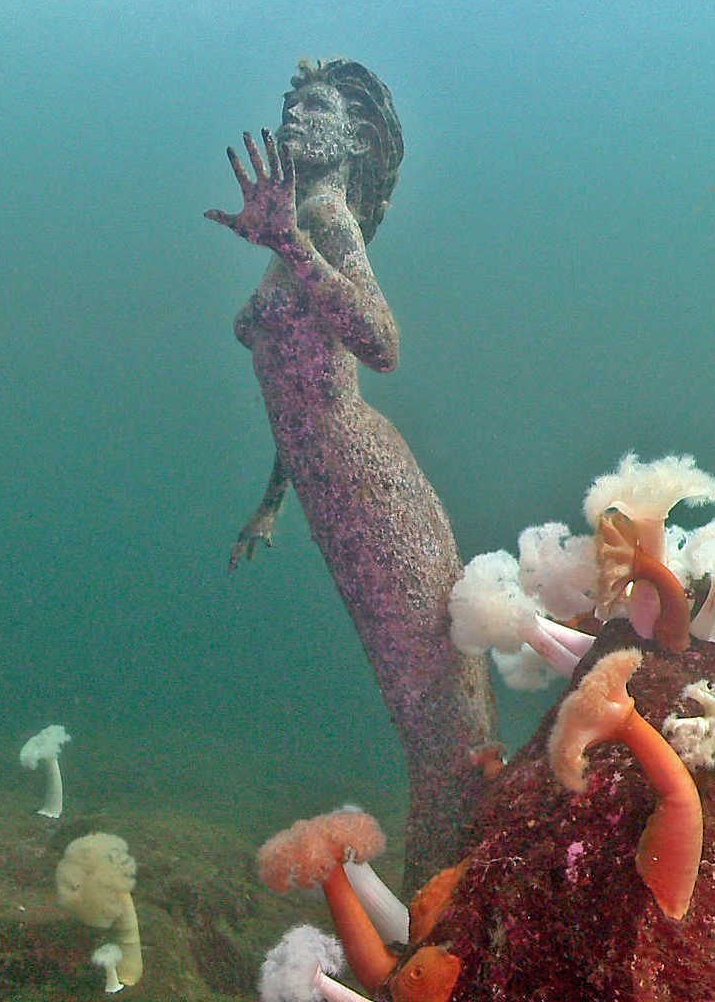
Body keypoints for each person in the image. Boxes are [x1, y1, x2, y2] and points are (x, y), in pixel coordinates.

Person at [206, 59, 498, 892]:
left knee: (443, 743)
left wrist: (290, 241)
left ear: (357, 139)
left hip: (374, 498)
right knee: (436, 736)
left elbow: (380, 345)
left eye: (317, 105)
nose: (295, 114)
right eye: (289, 103)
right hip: (338, 496)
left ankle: (459, 924)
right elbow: (297, 400)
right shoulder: (295, 228)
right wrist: (269, 504)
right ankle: (458, 920)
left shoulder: (326, 221)